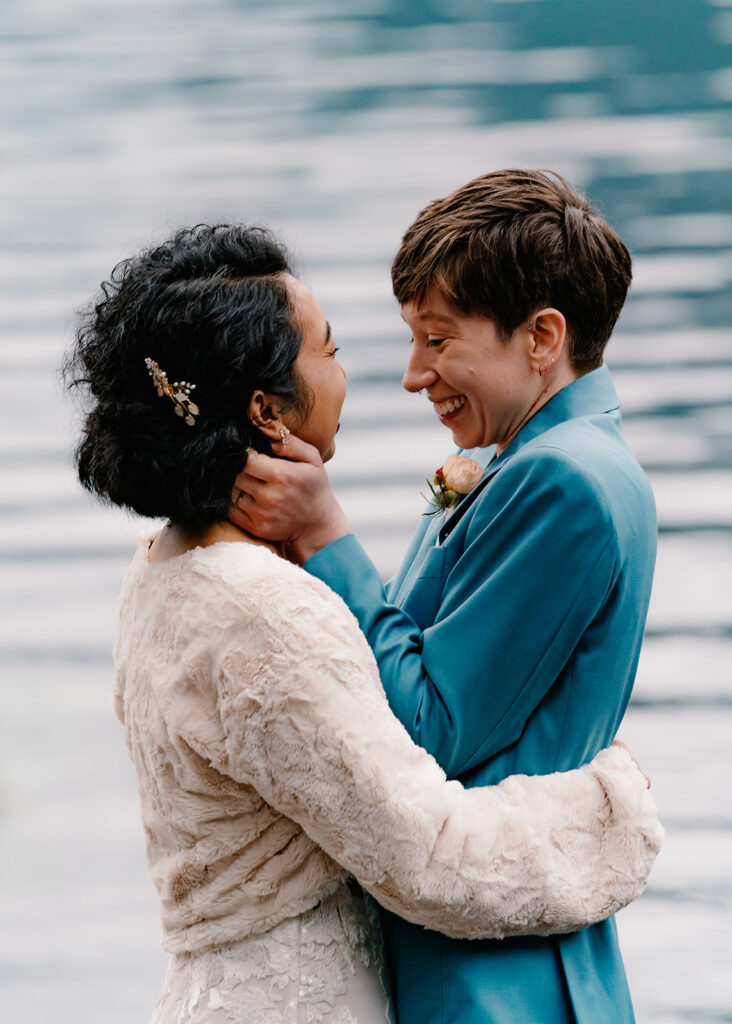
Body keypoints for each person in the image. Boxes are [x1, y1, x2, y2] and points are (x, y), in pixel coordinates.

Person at [66, 223, 661, 1024]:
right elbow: (426, 844)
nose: (402, 376)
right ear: (266, 410)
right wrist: (610, 810)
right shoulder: (261, 603)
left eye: (434, 341)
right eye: (333, 351)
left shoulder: (161, 569)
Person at [231, 170, 659, 1023]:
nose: (413, 375)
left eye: (438, 339)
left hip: (492, 983)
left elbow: (433, 727)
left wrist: (323, 536)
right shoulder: (536, 459)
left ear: (542, 337)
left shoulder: (562, 481)